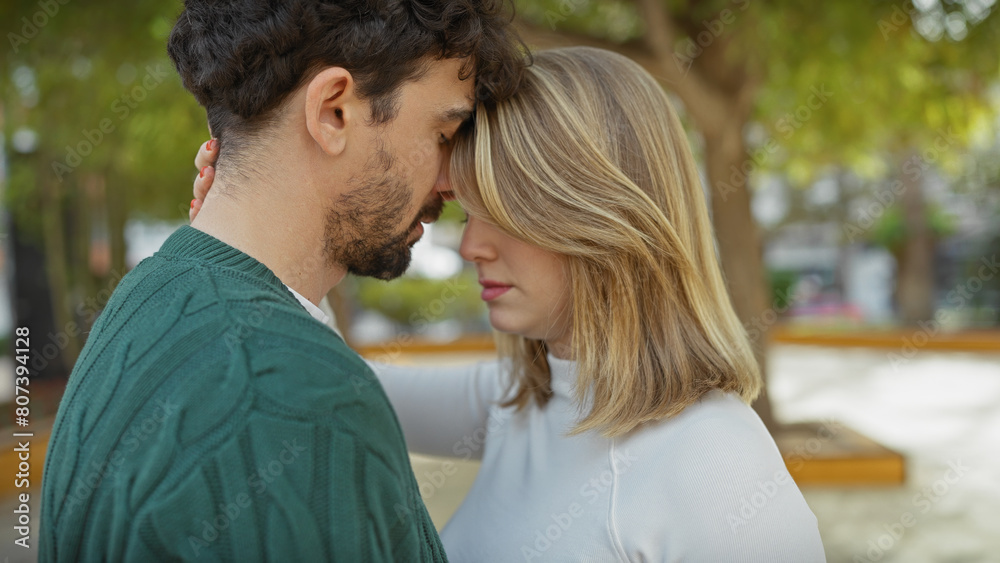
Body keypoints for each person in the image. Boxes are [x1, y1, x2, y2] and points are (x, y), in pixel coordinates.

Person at [191, 47, 827, 561]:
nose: (470, 245)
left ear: (601, 214)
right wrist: (257, 231)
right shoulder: (526, 397)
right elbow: (343, 385)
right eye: (470, 210)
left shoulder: (719, 470)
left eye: (504, 212)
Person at [39, 1, 524, 561]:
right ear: (333, 111)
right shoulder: (296, 397)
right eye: (444, 132)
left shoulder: (144, 298)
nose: (451, 182)